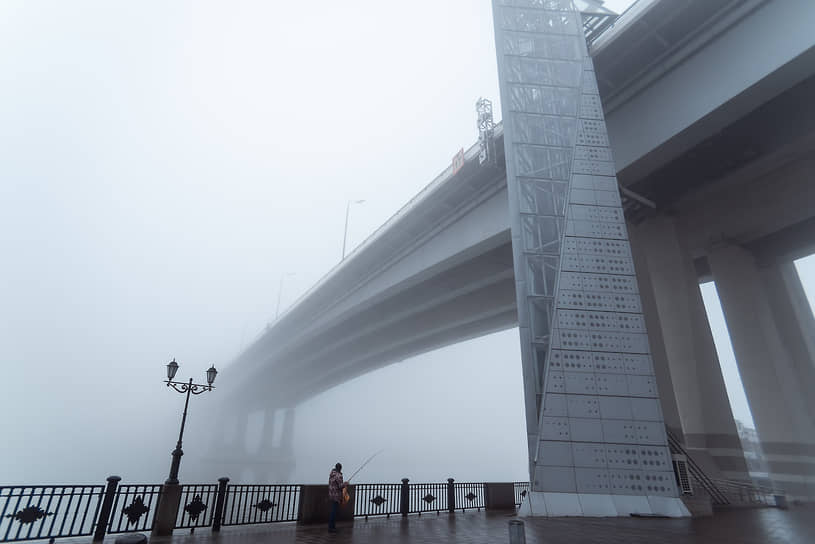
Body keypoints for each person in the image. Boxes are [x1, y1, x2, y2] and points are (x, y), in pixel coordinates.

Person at [327, 462, 348, 533]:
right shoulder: (338, 476)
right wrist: (345, 484)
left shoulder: (332, 474)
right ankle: (331, 527)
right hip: (336, 495)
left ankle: (332, 526)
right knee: (334, 511)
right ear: (340, 468)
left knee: (333, 511)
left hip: (331, 494)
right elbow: (340, 486)